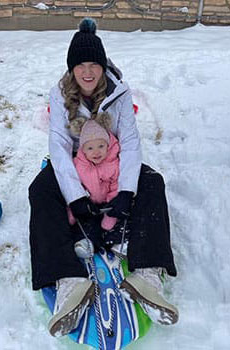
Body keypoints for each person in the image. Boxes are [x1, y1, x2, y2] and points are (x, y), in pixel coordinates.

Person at [29, 18, 179, 337]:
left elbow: (131, 142)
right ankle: (69, 282)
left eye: (93, 64)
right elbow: (57, 146)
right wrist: (76, 198)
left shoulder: (119, 94)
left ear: (102, 65)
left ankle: (148, 276)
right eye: (80, 65)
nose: (87, 72)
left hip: (111, 164)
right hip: (78, 167)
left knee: (152, 183)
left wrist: (126, 192)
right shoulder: (60, 95)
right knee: (41, 189)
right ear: (71, 69)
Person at [67, 114, 120, 258]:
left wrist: (111, 209)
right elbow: (73, 184)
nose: (96, 152)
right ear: (83, 150)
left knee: (105, 227)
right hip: (86, 204)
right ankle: (81, 240)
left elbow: (115, 187)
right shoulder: (78, 164)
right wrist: (74, 202)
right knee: (79, 222)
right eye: (90, 148)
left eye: (101, 146)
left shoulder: (113, 165)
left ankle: (110, 242)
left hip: (105, 206)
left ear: (108, 146)